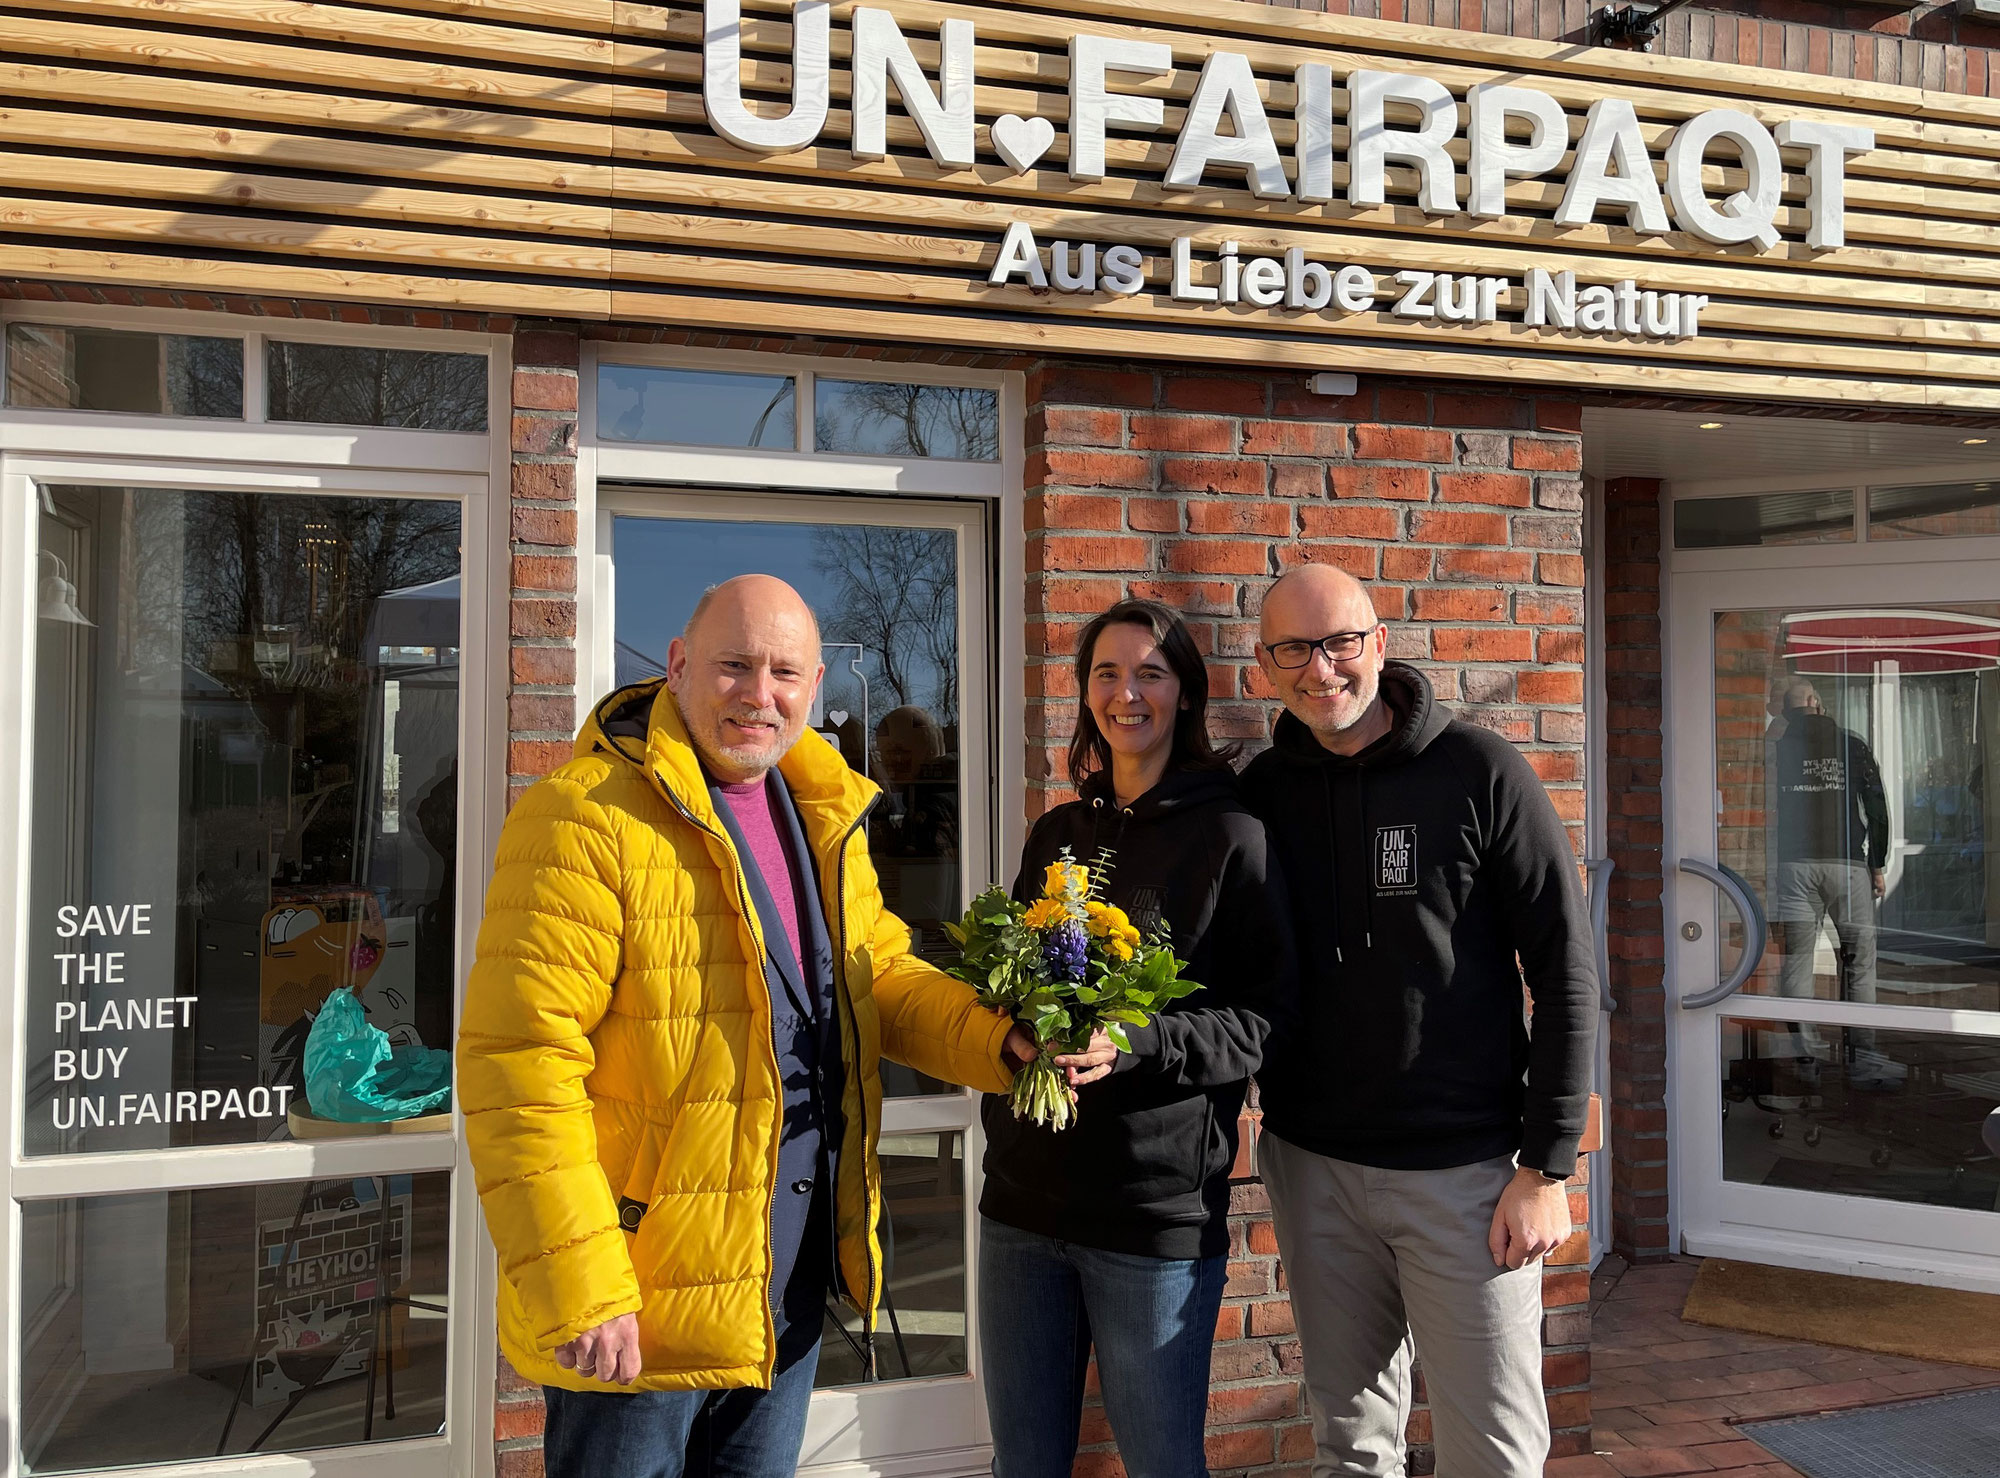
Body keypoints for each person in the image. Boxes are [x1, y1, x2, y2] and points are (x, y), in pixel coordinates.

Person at [458, 575, 1036, 1478]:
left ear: (815, 690)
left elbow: (875, 976)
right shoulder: (585, 817)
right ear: (680, 666)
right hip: (640, 1298)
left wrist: (1000, 1041)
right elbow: (519, 1067)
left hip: (783, 1278)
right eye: (735, 666)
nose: (759, 695)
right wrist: (580, 1284)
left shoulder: (819, 815)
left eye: (785, 673)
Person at [1239, 565, 1597, 1478]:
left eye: (1340, 643)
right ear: (1264, 666)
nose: (1321, 670)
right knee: (1352, 1448)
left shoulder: (1479, 771)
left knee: (1493, 1451)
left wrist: (1547, 1166)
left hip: (1469, 1179)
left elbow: (1566, 969)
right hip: (1315, 1167)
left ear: (1379, 643)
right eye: (1295, 650)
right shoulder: (1264, 792)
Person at [978, 598, 1296, 1478]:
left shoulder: (1232, 836)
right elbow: (1014, 985)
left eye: (1150, 673)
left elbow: (1267, 1018)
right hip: (1021, 1205)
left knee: (1162, 1464)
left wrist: (1142, 1041)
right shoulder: (1059, 833)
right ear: (1085, 695)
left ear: (1186, 694)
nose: (1128, 694)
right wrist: (1014, 1031)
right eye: (1107, 674)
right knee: (1024, 1465)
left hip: (1150, 1219)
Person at [1769, 676, 1896, 1086]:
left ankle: (1806, 1061)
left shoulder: (1777, 747)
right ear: (1814, 701)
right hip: (1847, 867)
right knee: (1859, 962)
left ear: (1789, 710)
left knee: (1798, 965)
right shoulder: (1851, 743)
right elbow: (1876, 808)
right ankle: (1863, 1061)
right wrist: (1876, 862)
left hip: (1792, 868)